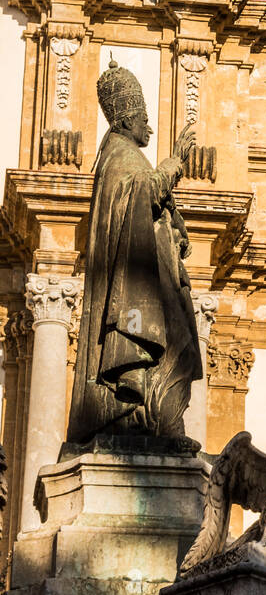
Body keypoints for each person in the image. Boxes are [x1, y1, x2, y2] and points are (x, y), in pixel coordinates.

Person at [66, 59, 201, 445]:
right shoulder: (120, 156)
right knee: (179, 348)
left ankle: (161, 425)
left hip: (155, 277)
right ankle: (158, 425)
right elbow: (142, 192)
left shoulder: (124, 155)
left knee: (181, 348)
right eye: (143, 117)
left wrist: (176, 232)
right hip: (141, 287)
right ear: (125, 121)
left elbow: (147, 204)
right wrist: (175, 161)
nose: (149, 125)